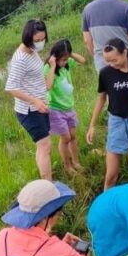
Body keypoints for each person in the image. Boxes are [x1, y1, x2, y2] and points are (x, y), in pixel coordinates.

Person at [85, 37, 128, 190]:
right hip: (117, 122)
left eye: (114, 60)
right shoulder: (105, 73)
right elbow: (101, 98)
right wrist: (92, 125)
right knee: (111, 175)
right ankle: (105, 208)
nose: (111, 65)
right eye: (107, 61)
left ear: (124, 53)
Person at [5, 19, 53, 180]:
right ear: (27, 38)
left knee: (43, 147)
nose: (40, 43)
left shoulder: (33, 51)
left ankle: (46, 182)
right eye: (37, 40)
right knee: (45, 146)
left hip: (40, 106)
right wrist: (35, 101)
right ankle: (48, 185)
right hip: (29, 110)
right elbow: (11, 87)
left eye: (42, 39)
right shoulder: (20, 58)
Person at [44, 39, 87, 175]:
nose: (65, 62)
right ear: (54, 58)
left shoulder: (67, 64)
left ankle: (76, 162)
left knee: (73, 136)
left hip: (69, 107)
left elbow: (83, 61)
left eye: (66, 59)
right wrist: (51, 66)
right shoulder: (48, 68)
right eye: (62, 60)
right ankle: (67, 166)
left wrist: (71, 54)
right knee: (66, 138)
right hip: (56, 109)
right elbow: (48, 86)